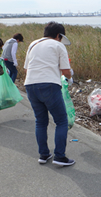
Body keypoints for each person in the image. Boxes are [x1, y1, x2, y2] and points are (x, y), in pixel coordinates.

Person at [24, 21, 75, 166]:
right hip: (49, 86)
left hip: (30, 85)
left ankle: (44, 154)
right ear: (59, 36)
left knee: (40, 121)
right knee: (61, 121)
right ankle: (60, 156)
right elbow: (66, 71)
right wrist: (70, 78)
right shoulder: (58, 45)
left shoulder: (33, 44)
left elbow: (27, 69)